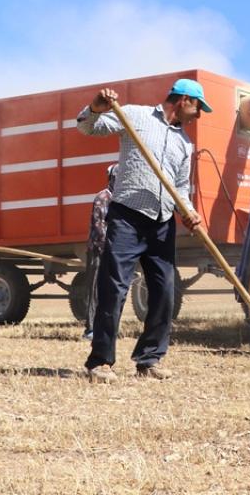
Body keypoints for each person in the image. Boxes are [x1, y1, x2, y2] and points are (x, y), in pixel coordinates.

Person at [77, 79, 209, 383]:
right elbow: (87, 127)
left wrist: (187, 212)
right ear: (184, 100)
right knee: (114, 289)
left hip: (162, 222)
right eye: (198, 107)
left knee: (164, 291)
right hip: (127, 217)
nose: (199, 114)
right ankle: (100, 362)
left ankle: (149, 359)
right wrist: (97, 106)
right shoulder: (134, 116)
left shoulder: (185, 144)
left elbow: (181, 187)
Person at [82, 165, 117, 340]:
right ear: (112, 179)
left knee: (108, 290)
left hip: (111, 251)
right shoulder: (102, 198)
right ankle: (89, 329)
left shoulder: (120, 199)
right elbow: (99, 226)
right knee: (94, 288)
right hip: (98, 250)